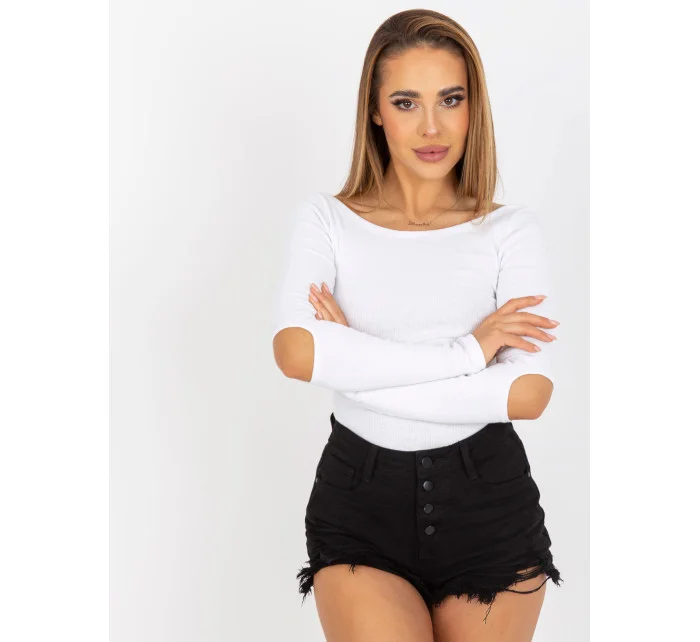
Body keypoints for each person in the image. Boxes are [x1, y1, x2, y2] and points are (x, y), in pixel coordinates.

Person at [271, 9, 563, 642]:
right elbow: (297, 353)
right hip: (359, 505)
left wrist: (353, 363)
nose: (432, 126)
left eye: (450, 99)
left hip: (489, 506)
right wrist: (471, 352)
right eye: (406, 102)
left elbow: (525, 393)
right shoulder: (326, 222)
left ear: (473, 107)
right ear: (375, 111)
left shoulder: (510, 232)